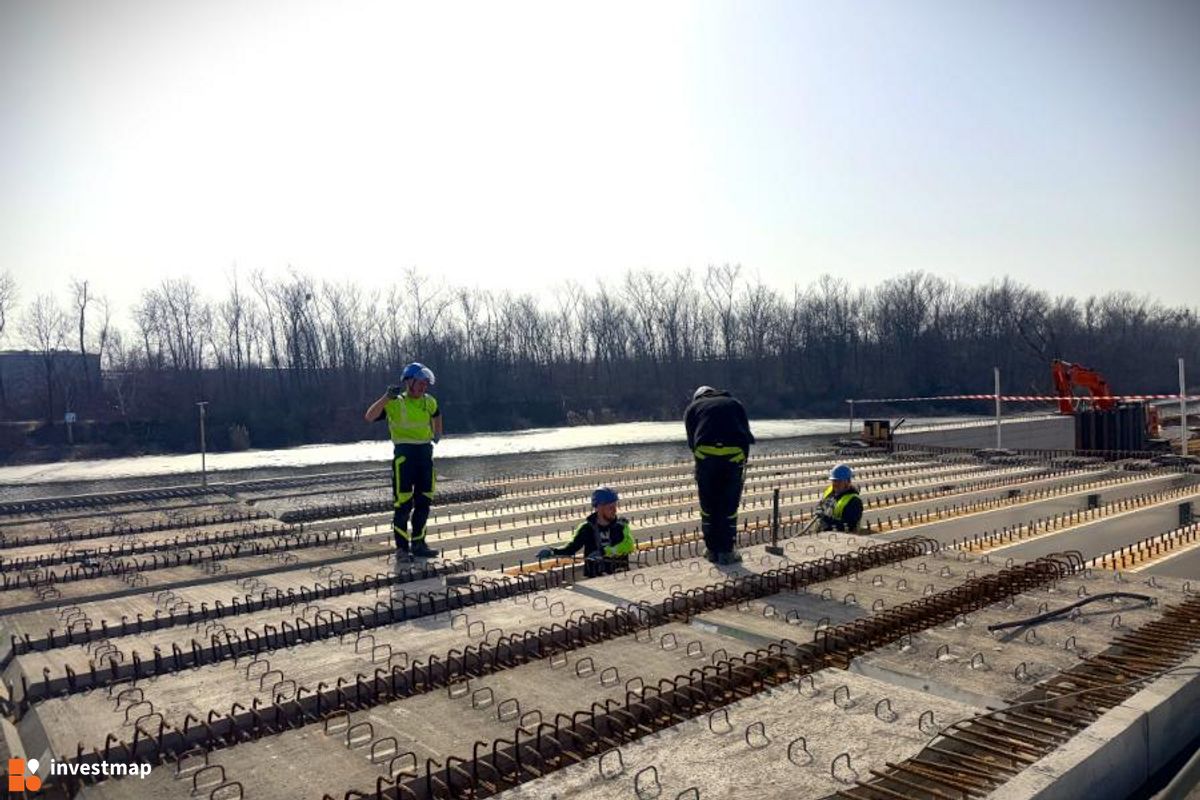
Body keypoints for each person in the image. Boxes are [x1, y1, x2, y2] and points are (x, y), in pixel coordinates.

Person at [363, 362, 443, 558]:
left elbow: (437, 415)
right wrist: (385, 398)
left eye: (426, 384)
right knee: (403, 504)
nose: (424, 387)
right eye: (421, 384)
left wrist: (437, 433)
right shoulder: (395, 403)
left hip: (425, 455)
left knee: (424, 501)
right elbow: (369, 416)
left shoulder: (429, 401)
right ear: (409, 382)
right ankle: (401, 548)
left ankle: (419, 544)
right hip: (404, 457)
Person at [684, 386, 755, 564]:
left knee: (708, 506)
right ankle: (727, 551)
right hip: (733, 456)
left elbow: (692, 441)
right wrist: (741, 460)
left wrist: (703, 462)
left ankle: (712, 550)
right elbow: (746, 434)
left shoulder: (692, 408)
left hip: (706, 456)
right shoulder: (734, 403)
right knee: (728, 506)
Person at [537, 487, 636, 578]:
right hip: (595, 579)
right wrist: (552, 552)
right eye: (610, 507)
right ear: (598, 507)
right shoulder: (586, 528)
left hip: (620, 576)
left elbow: (629, 545)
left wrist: (604, 552)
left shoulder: (621, 525)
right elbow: (571, 548)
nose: (615, 510)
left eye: (615, 506)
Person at [818, 463, 863, 532]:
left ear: (848, 482)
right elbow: (821, 505)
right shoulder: (830, 492)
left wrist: (826, 519)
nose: (835, 484)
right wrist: (819, 510)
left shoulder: (854, 501)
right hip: (823, 533)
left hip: (841, 538)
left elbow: (849, 525)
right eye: (834, 481)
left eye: (839, 481)